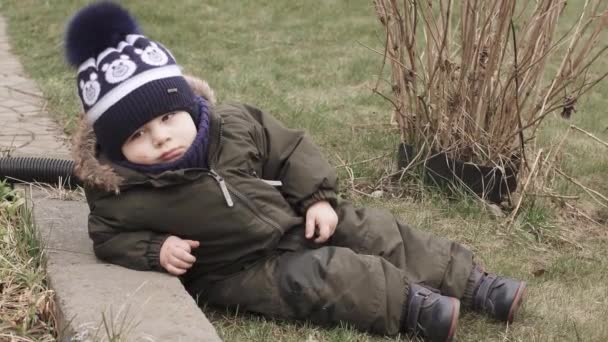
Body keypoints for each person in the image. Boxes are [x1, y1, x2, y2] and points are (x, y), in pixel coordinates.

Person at [66, 2, 526, 342]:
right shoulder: (119, 193)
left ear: (186, 105)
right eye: (139, 134)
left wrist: (317, 198)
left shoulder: (235, 126)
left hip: (290, 216)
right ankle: (415, 308)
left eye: (167, 118)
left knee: (374, 230)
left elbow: (290, 149)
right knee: (325, 278)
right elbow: (108, 236)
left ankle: (476, 283)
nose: (161, 137)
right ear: (116, 147)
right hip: (237, 269)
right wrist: (155, 249)